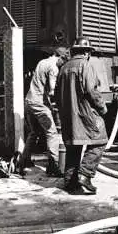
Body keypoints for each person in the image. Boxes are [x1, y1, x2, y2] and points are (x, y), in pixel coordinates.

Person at [56, 37, 108, 195]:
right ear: (86, 52)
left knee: (73, 146)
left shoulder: (63, 68)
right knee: (100, 140)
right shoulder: (86, 66)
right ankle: (85, 175)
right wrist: (102, 108)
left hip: (68, 115)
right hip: (84, 114)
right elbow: (92, 91)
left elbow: (56, 95)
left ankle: (70, 182)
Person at [17, 47, 69, 177]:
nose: (63, 65)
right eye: (64, 61)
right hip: (39, 104)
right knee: (52, 133)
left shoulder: (42, 62)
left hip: (29, 101)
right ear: (60, 57)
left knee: (34, 133)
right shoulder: (53, 67)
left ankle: (24, 161)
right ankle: (53, 166)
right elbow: (52, 90)